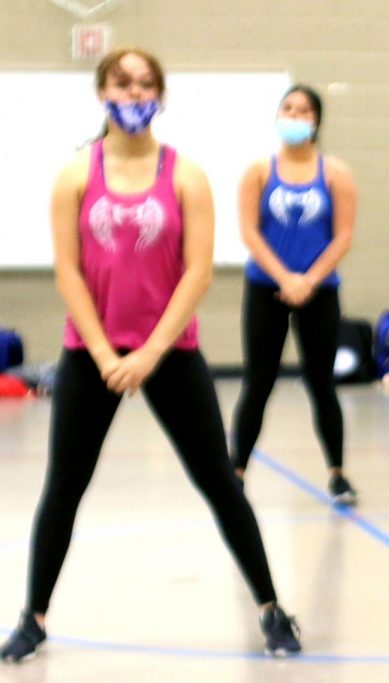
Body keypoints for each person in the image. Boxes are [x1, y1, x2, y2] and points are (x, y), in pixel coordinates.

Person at [0, 48, 300, 663]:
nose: (132, 93)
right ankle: (32, 617)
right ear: (101, 92)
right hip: (93, 355)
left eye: (144, 84)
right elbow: (68, 271)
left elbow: (196, 272)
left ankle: (271, 607)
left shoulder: (185, 175)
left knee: (220, 481)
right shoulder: (76, 174)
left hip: (170, 353)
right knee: (63, 487)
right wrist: (109, 354)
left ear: (159, 95)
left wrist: (150, 353)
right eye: (121, 82)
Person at [229, 84, 358, 506]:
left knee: (321, 384)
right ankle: (237, 471)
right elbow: (249, 231)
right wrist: (285, 277)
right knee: (258, 383)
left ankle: (338, 473)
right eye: (288, 108)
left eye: (304, 110)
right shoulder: (259, 172)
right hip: (267, 288)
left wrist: (308, 280)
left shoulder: (335, 172)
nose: (295, 115)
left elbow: (342, 236)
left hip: (319, 292)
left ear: (316, 120)